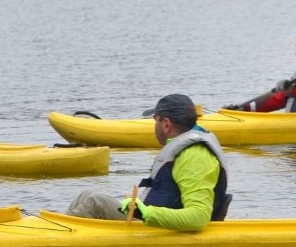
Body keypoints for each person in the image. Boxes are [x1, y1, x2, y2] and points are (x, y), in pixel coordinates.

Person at [66, 93, 230, 231]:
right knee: (85, 195)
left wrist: (145, 213)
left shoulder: (195, 155)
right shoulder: (186, 149)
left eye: (155, 121)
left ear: (166, 124)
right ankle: (56, 231)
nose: (154, 126)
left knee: (95, 202)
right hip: (154, 225)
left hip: (163, 231)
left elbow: (198, 217)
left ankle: (61, 239)